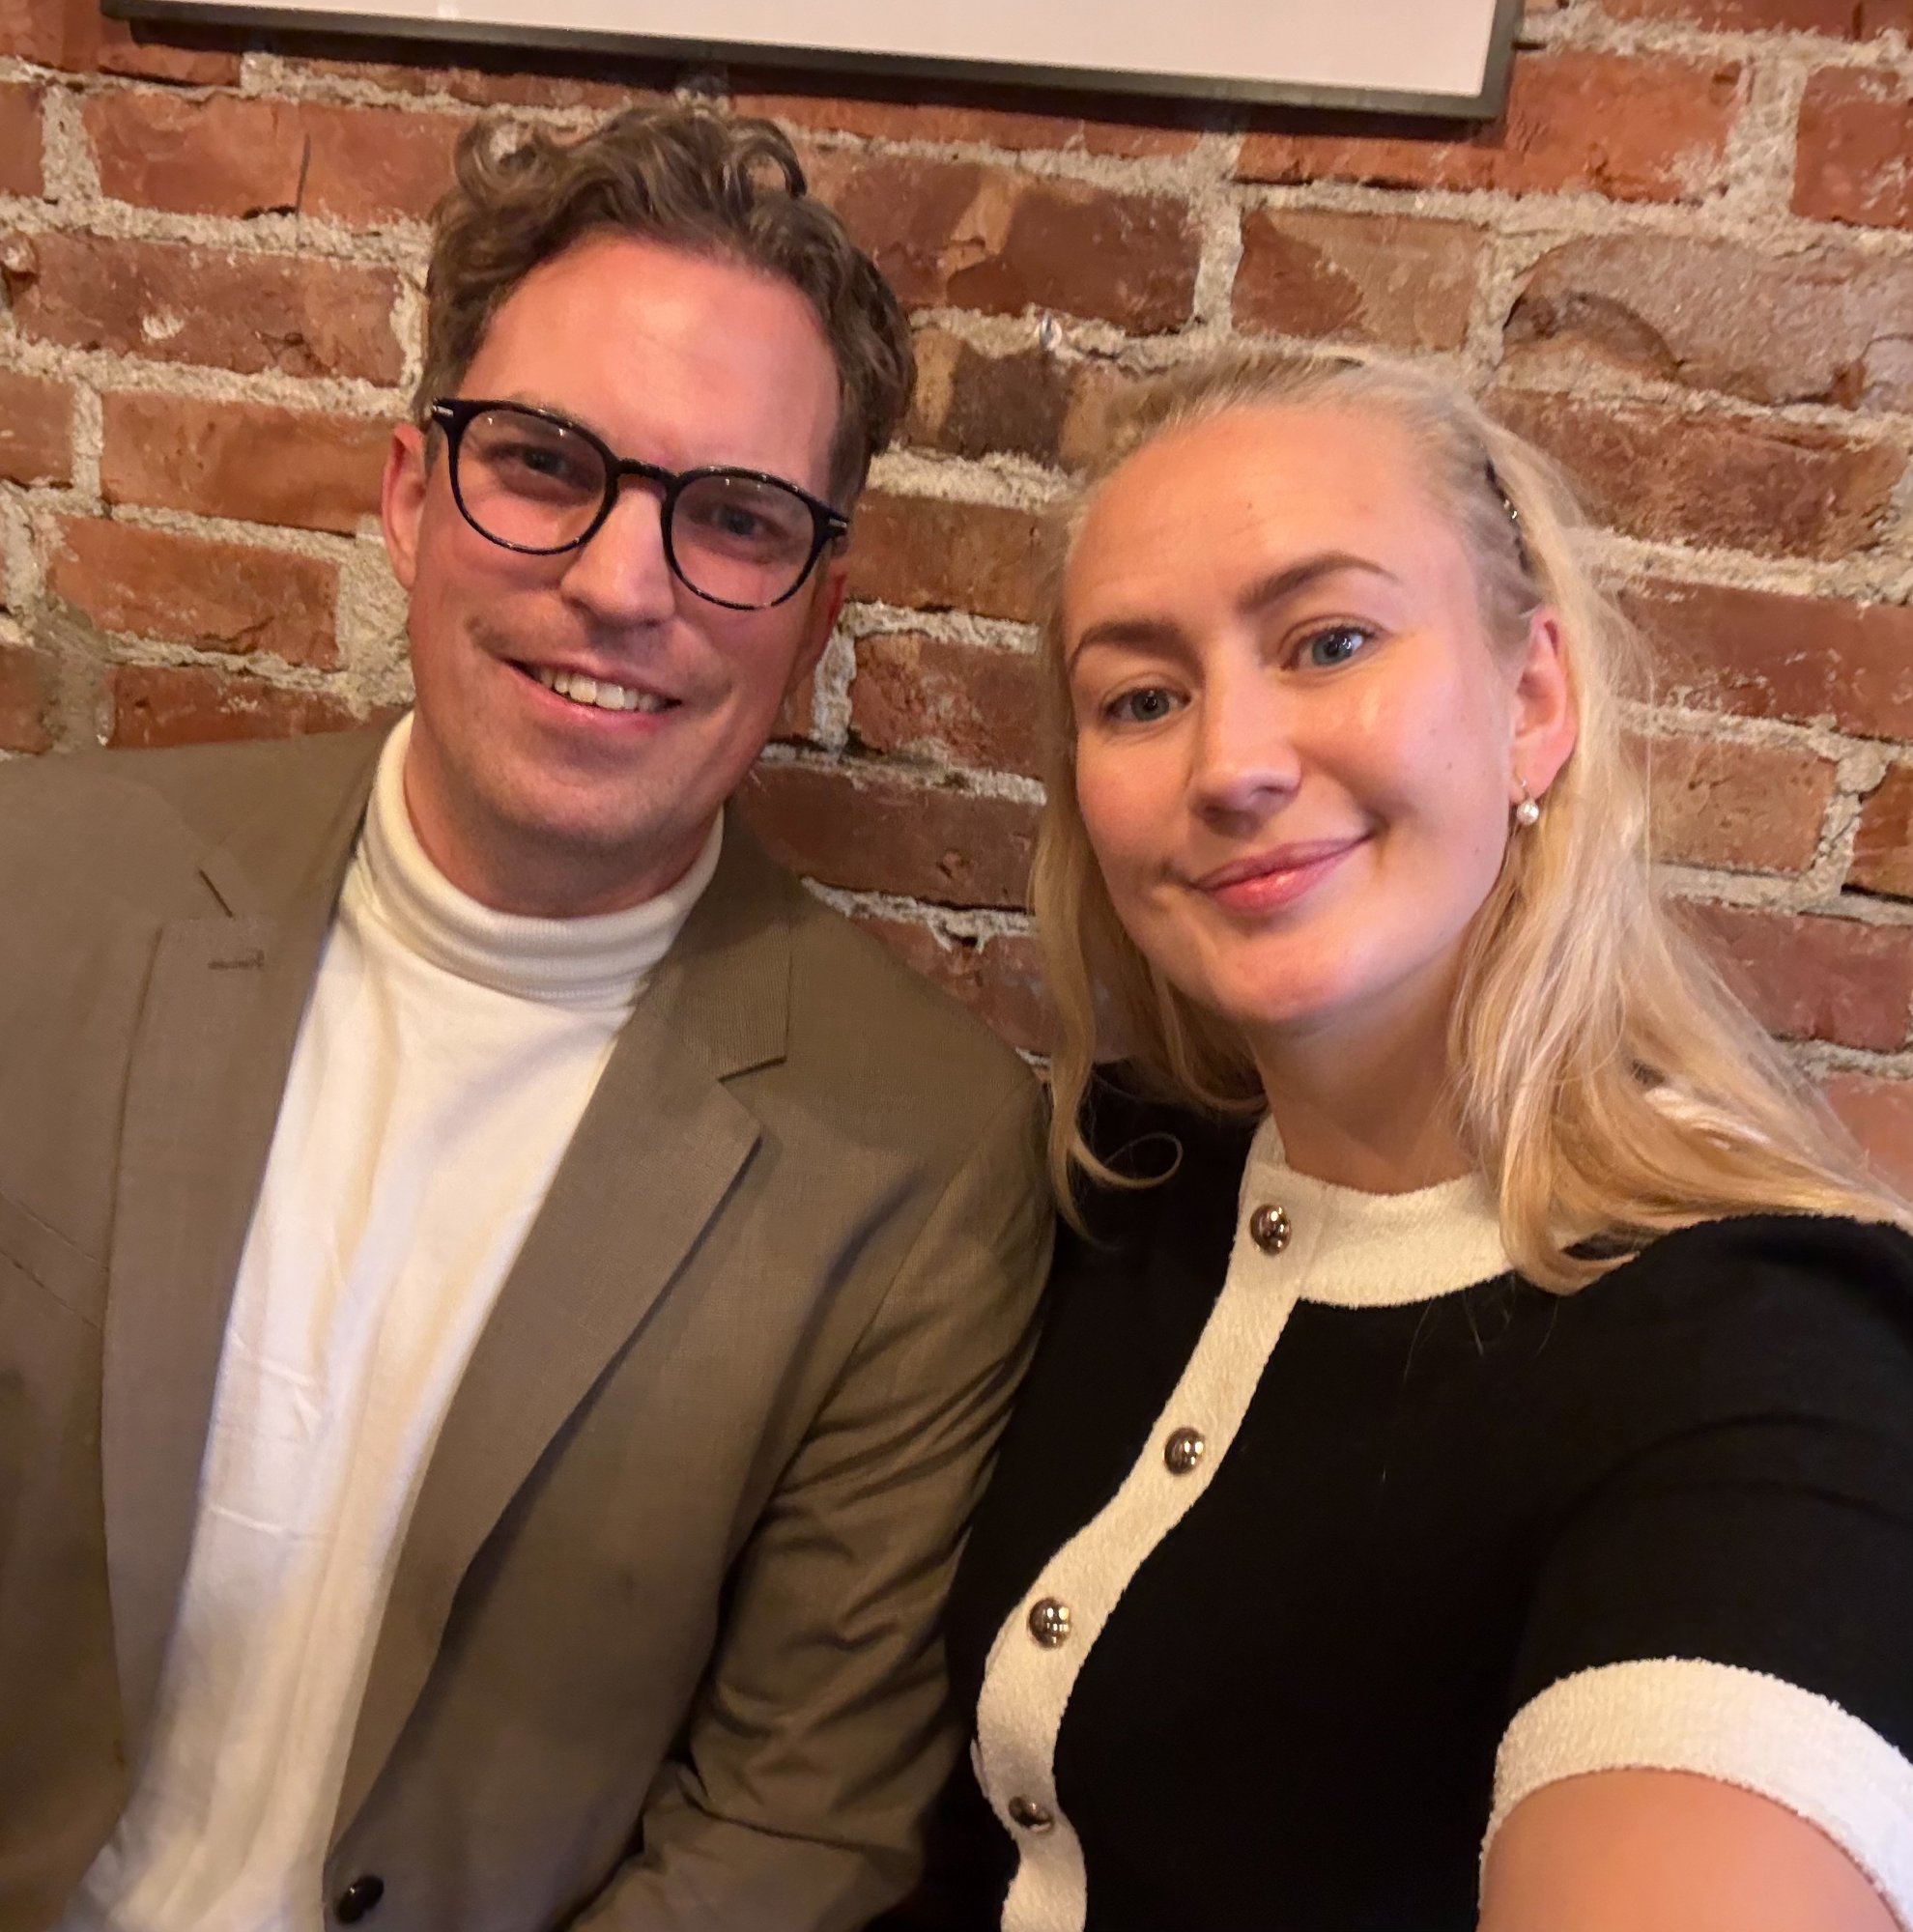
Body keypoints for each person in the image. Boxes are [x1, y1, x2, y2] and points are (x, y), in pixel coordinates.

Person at [0, 105, 1051, 1932]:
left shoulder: (922, 1161)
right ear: (412, 496)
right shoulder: (44, 889)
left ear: (816, 614)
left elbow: (791, 1830)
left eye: (736, 518)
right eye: (548, 465)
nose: (623, 585)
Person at [881, 349, 1913, 1932]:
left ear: (1533, 702)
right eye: (1142, 697)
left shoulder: (1769, 1350)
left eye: (1331, 641)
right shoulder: (1125, 1177)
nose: (1232, 765)